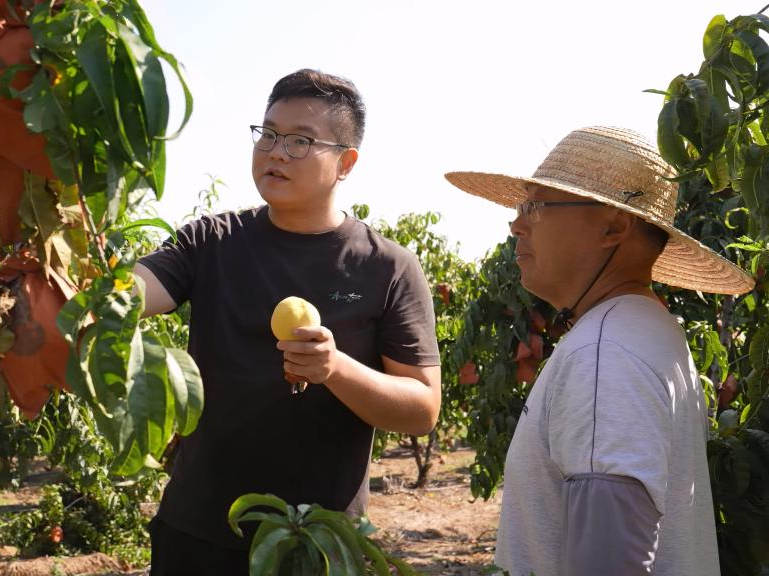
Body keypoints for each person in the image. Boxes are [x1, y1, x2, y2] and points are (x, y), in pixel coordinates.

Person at [134, 69, 443, 575]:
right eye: (268, 134)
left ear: (345, 163)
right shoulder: (211, 242)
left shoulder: (387, 267)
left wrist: (334, 368)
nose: (275, 152)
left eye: (300, 141)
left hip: (316, 542)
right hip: (199, 530)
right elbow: (132, 293)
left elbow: (422, 409)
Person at [445, 126, 753, 575]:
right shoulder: (648, 330)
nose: (516, 224)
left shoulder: (604, 355)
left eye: (535, 207)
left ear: (614, 226)